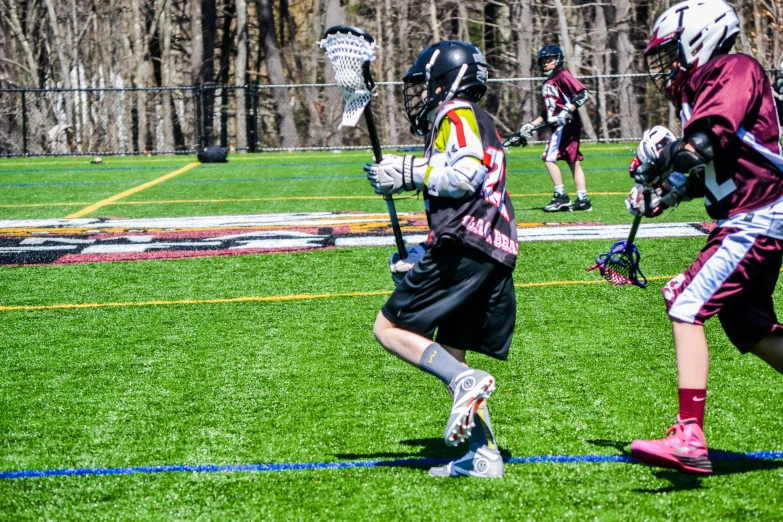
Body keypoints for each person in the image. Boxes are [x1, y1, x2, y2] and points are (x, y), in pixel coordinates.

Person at [626, 0, 783, 475]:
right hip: (751, 213)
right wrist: (661, 195)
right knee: (747, 324)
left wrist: (669, 152)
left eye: (672, 52)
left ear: (699, 39)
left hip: (758, 214)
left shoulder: (734, 69)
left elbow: (705, 142)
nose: (668, 65)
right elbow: (709, 171)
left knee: (684, 299)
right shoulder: (701, 90)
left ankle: (689, 435)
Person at [363, 40, 518, 478]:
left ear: (447, 81)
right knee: (452, 349)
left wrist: (408, 171)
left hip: (467, 246)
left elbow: (466, 176)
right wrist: (422, 252)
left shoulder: (456, 114)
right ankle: (483, 455)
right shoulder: (482, 120)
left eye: (426, 84)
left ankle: (461, 383)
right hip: (492, 250)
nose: (423, 94)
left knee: (389, 327)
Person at [519, 44, 591, 212]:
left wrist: (568, 109)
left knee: (548, 158)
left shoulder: (562, 75)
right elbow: (549, 111)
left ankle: (561, 196)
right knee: (573, 161)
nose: (546, 64)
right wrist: (531, 124)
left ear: (558, 60)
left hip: (565, 124)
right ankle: (583, 199)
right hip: (561, 123)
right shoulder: (549, 81)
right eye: (544, 61)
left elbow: (582, 93)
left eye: (550, 60)